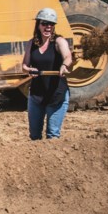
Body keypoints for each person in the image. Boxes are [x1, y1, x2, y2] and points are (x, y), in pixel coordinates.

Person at [22, 8, 72, 140]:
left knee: (52, 134)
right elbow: (24, 66)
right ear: (38, 24)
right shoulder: (31, 43)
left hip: (56, 95)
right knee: (34, 136)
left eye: (51, 24)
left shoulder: (59, 41)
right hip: (36, 95)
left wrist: (64, 65)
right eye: (44, 23)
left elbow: (68, 56)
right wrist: (28, 70)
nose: (48, 27)